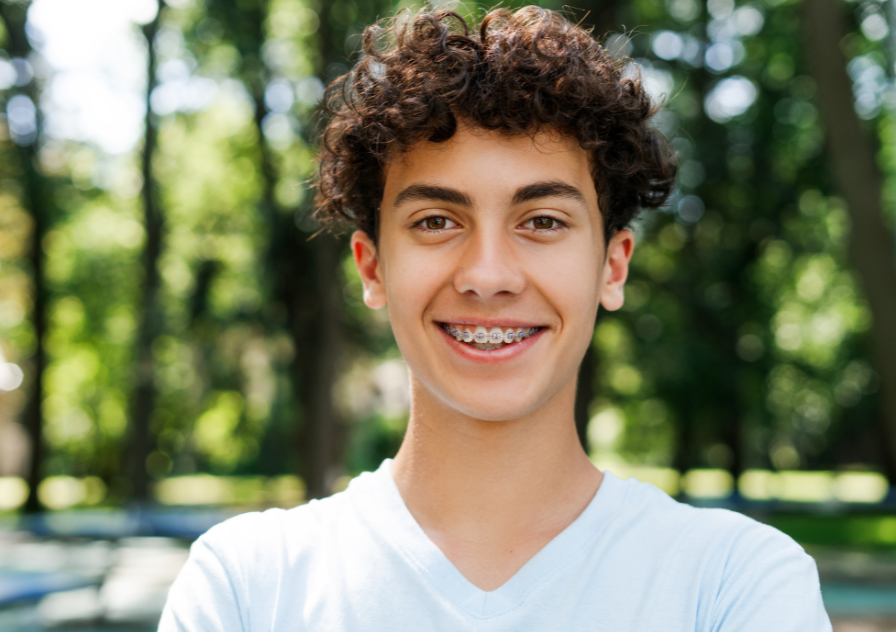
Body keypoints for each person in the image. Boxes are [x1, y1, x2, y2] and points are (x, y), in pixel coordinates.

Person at [159, 6, 832, 631]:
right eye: (436, 221)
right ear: (372, 268)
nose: (488, 276)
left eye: (542, 221)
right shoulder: (247, 587)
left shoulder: (734, 585)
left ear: (613, 266)